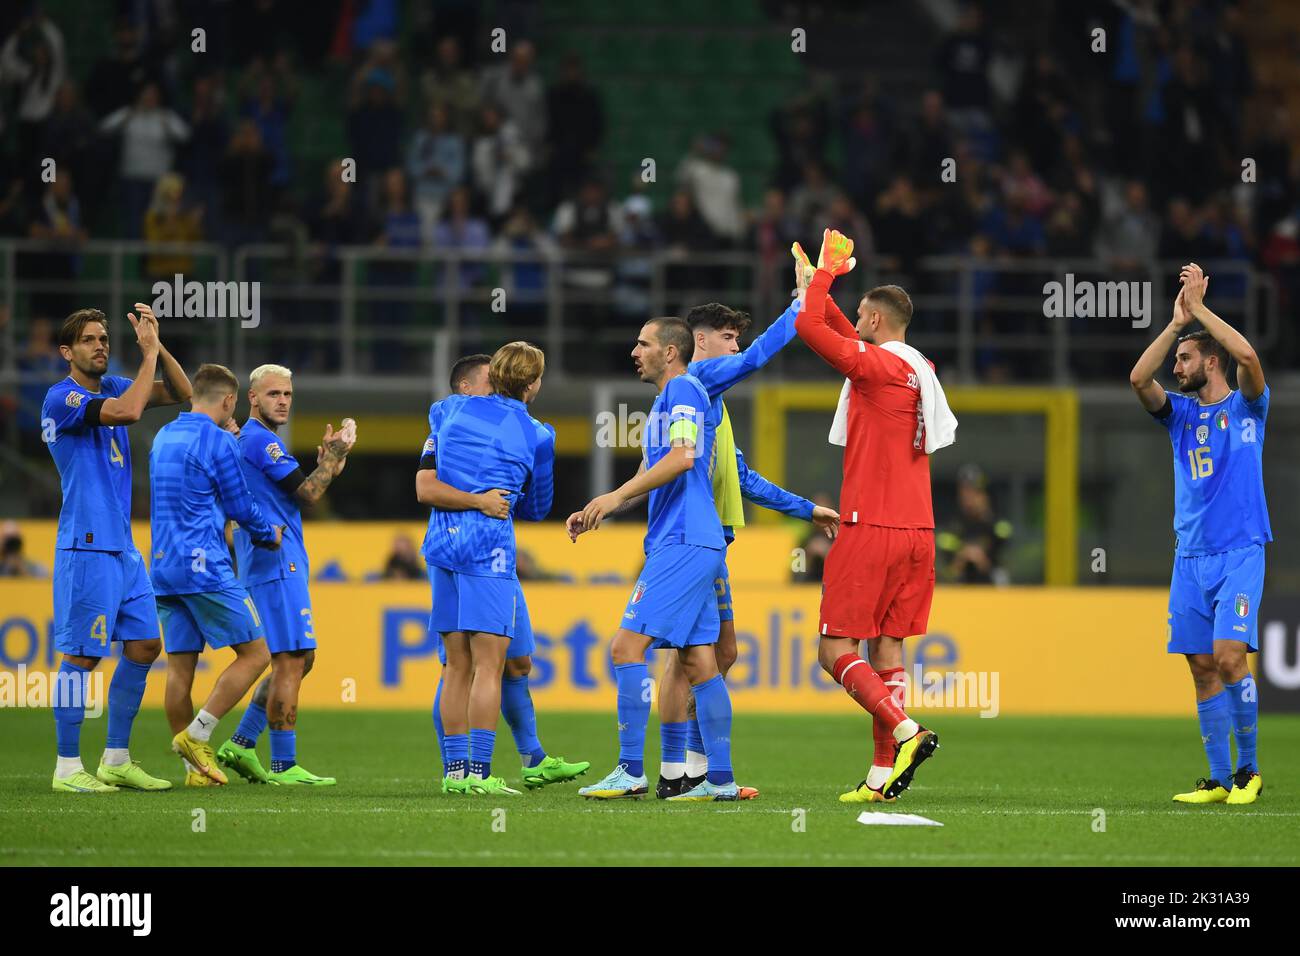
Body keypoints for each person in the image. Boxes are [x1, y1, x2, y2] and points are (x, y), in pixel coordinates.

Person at [656, 275, 840, 799]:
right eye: (727, 335)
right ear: (701, 343)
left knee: (721, 652)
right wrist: (803, 306)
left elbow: (742, 478)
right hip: (693, 541)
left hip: (710, 542)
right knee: (688, 656)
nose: (735, 345)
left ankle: (687, 770)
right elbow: (758, 358)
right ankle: (681, 773)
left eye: (737, 336)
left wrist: (806, 509)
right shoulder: (701, 377)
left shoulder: (712, 401)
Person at [793, 230, 951, 802]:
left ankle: (908, 731)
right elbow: (834, 324)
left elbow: (812, 329)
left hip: (873, 527)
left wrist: (827, 278)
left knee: (833, 651)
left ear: (879, 323)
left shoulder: (878, 368)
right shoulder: (916, 366)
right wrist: (816, 286)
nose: (852, 323)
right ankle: (882, 775)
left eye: (861, 316)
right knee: (888, 650)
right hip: (919, 531)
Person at [568, 318, 736, 801]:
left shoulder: (682, 389)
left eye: (643, 343)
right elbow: (654, 467)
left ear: (670, 352)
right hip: (697, 540)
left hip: (682, 541)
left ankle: (630, 770)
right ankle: (718, 781)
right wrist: (603, 505)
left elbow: (683, 457)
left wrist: (613, 494)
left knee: (625, 648)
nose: (634, 351)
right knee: (700, 659)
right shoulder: (668, 401)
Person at [1128, 263, 1269, 806]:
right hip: (1189, 558)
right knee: (1202, 667)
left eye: (1185, 357)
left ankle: (1249, 772)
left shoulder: (1248, 405)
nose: (1176, 366)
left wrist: (1202, 312)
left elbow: (1250, 358)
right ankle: (1216, 778)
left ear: (1211, 361)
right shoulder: (1179, 416)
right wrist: (1175, 323)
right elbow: (1140, 380)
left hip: (1239, 553)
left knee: (1231, 657)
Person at [419, 353, 589, 790]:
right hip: (488, 549)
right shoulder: (538, 434)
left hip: (441, 543)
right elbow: (536, 507)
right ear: (532, 386)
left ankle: (455, 774)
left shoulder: (446, 409)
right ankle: (482, 773)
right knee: (490, 667)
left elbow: (430, 474)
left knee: (457, 665)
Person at [42, 303, 191, 793]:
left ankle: (116, 758)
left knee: (146, 645)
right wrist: (147, 357)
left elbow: (185, 394)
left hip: (123, 548)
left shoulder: (112, 385)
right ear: (68, 352)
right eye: (90, 339)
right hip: (86, 544)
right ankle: (67, 767)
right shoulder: (60, 398)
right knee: (82, 657)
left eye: (105, 338)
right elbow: (128, 413)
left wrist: (156, 342)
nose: (101, 345)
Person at [217, 364, 356, 786]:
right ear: (252, 399)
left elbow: (307, 486)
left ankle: (241, 744)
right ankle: (282, 764)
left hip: (271, 563)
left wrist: (330, 463)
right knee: (291, 659)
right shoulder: (262, 442)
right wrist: (335, 456)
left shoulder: (257, 441)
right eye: (274, 394)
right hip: (277, 565)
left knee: (298, 658)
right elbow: (310, 494)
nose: (283, 401)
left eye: (288, 395)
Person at [150, 364, 282, 787]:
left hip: (164, 566)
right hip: (203, 565)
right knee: (258, 653)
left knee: (180, 671)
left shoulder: (163, 435)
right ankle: (198, 734)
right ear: (229, 402)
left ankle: (196, 773)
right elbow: (240, 506)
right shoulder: (219, 441)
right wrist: (268, 534)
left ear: (194, 396)